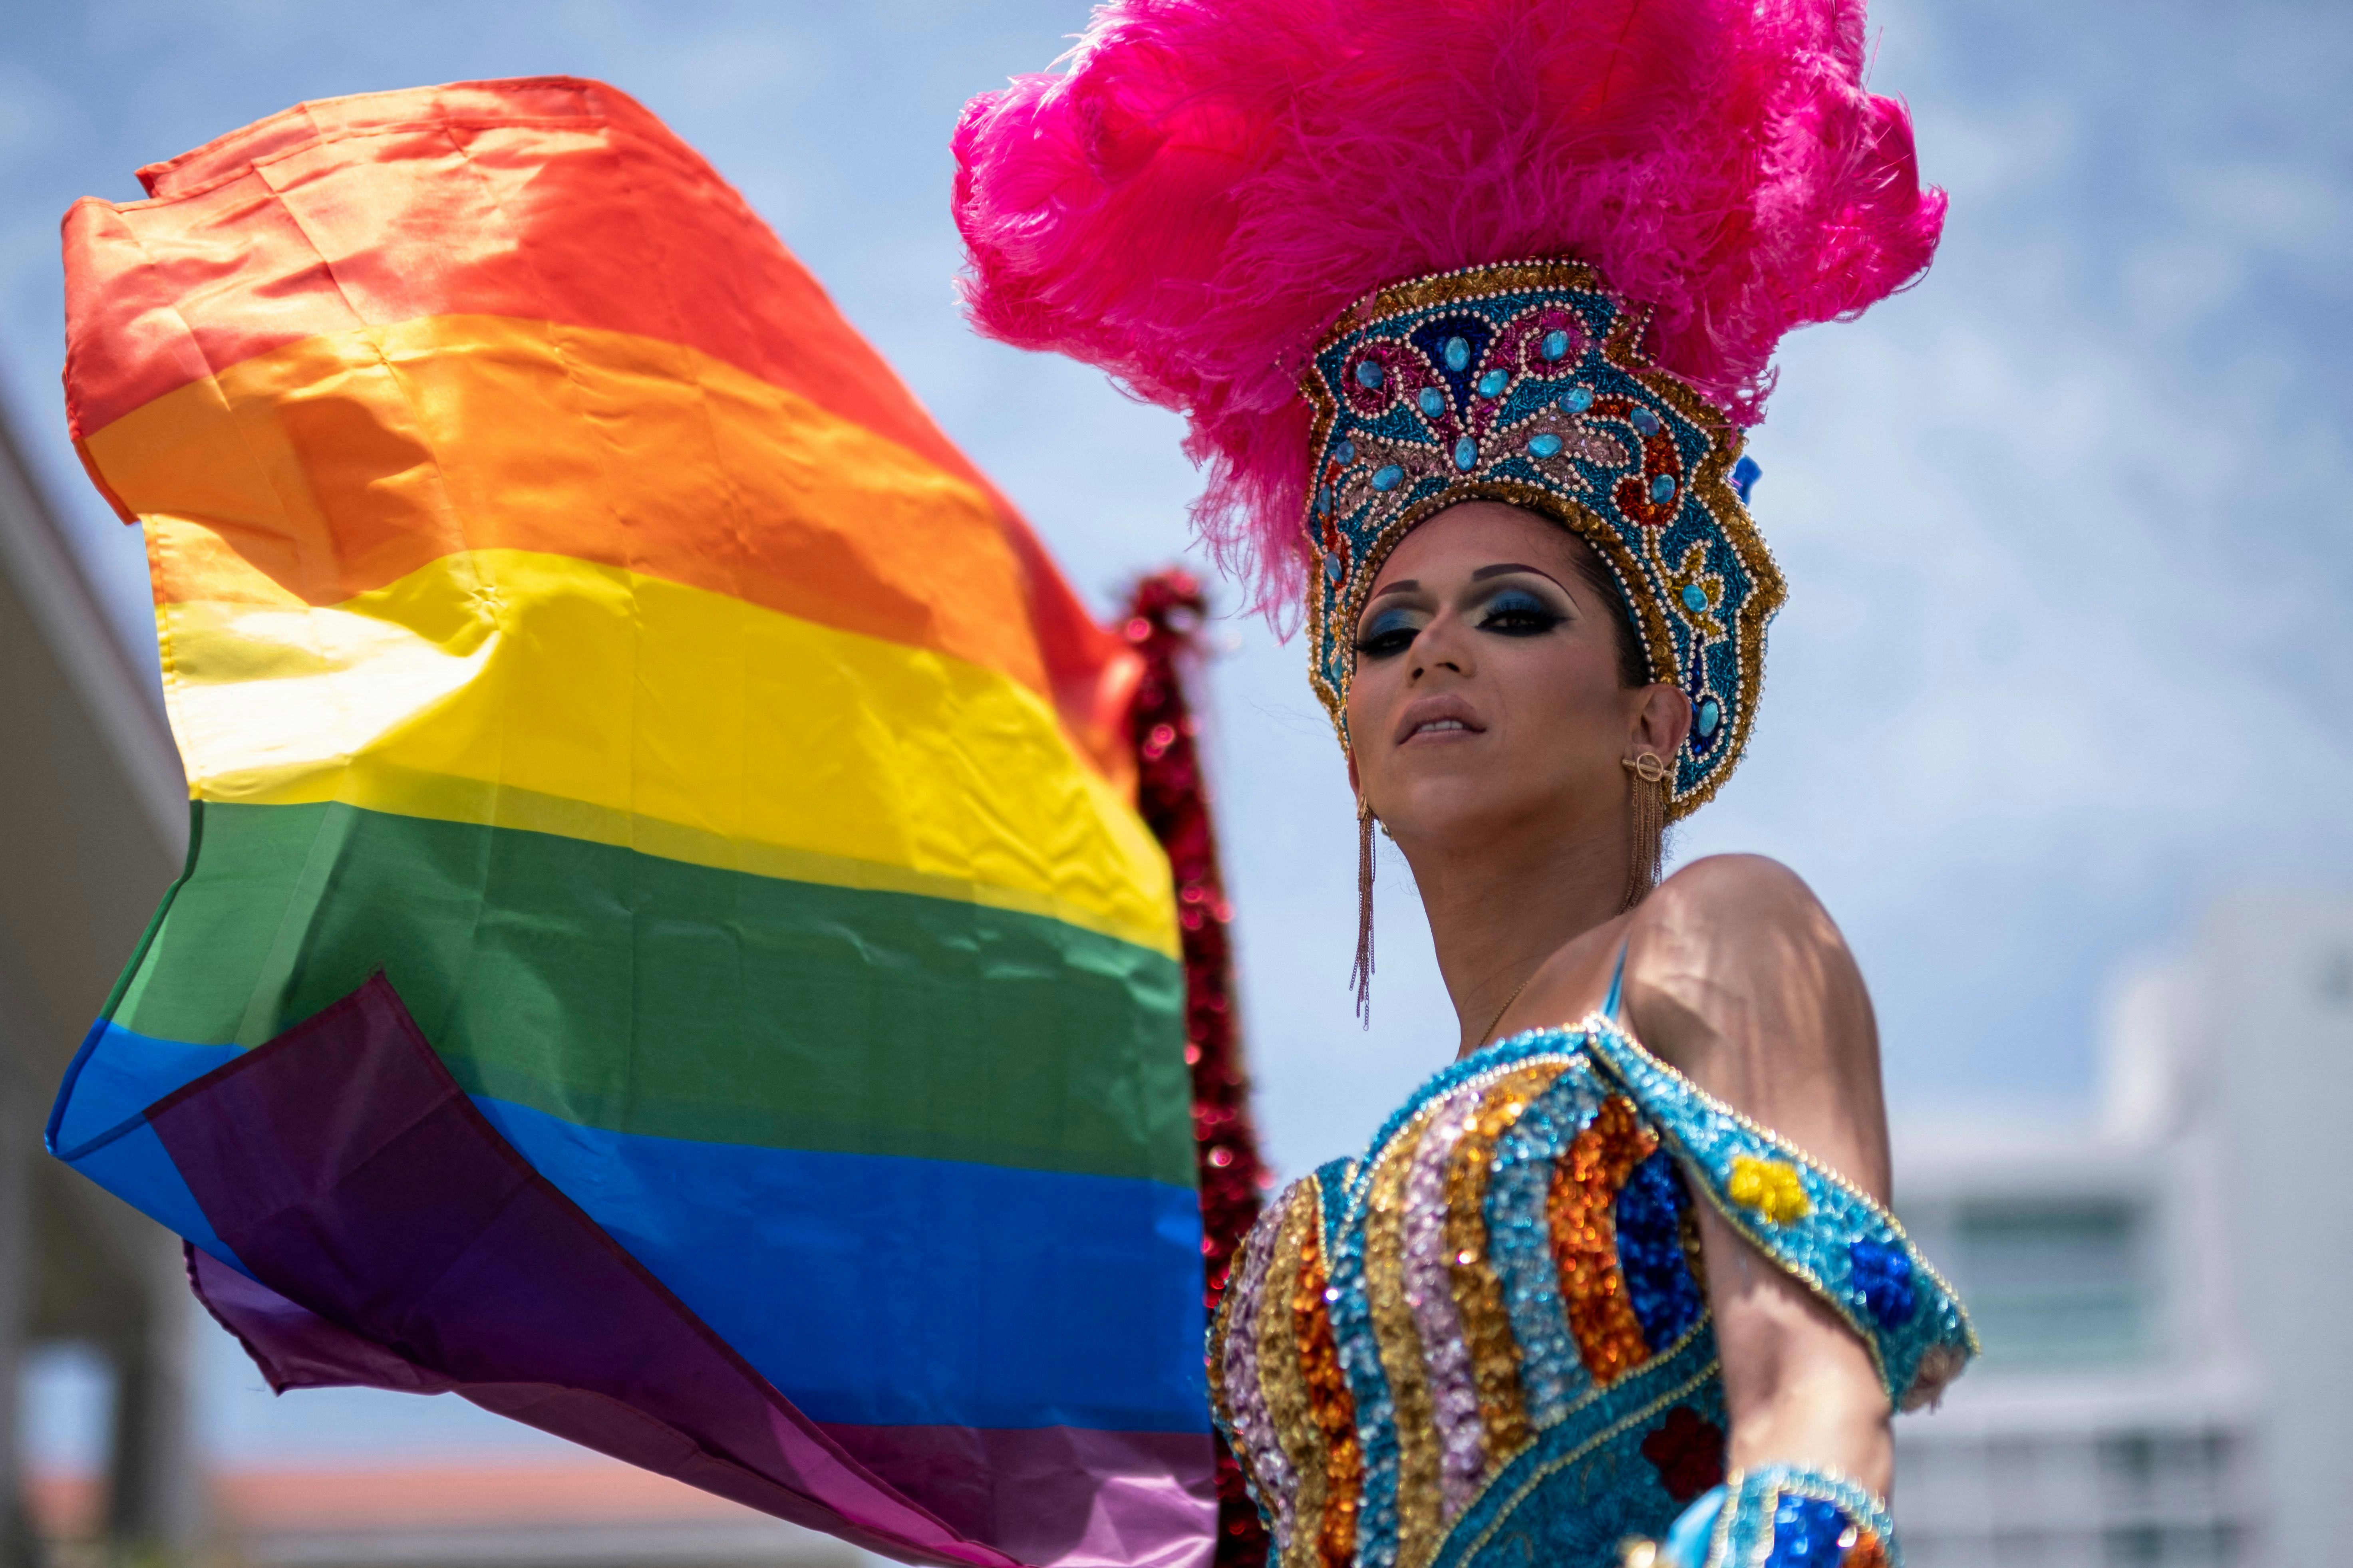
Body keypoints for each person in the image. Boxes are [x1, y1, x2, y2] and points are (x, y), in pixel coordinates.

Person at [952, 1, 1977, 1564]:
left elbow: (1820, 1421)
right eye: (1386, 629)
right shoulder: (1334, 1191)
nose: (1434, 653)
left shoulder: (1720, 935)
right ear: (1354, 741)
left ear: (1653, 710)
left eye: (1515, 612)